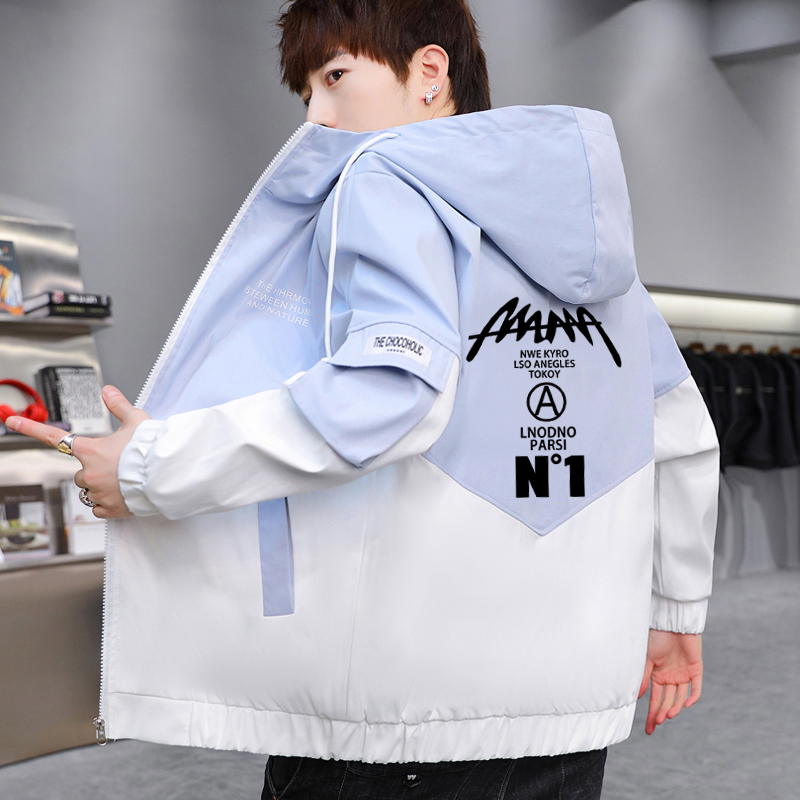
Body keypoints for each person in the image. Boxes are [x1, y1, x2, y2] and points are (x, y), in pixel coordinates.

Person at [7, 1, 719, 798]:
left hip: (404, 717)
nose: (317, 116)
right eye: (307, 91)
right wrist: (676, 610)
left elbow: (390, 393)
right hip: (569, 712)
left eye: (335, 76)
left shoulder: (385, 182)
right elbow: (682, 432)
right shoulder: (592, 240)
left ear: (428, 71)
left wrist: (151, 467)